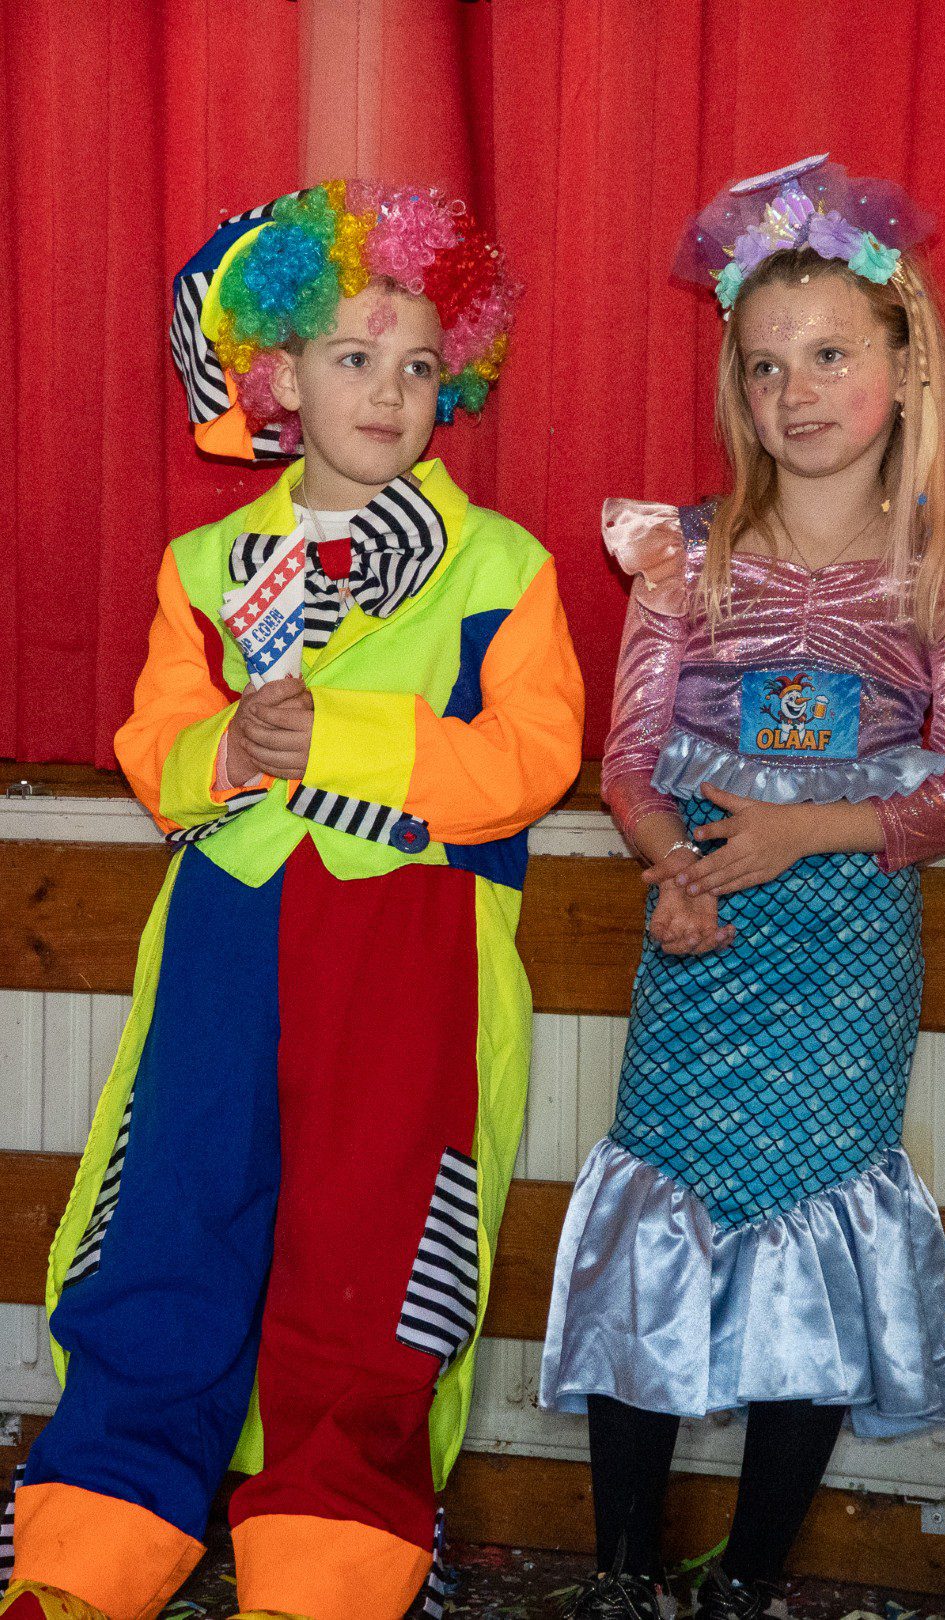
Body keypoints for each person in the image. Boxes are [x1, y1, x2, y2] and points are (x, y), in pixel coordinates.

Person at [1, 181, 584, 1620]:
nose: (389, 391)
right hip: (228, 935)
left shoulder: (504, 568)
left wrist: (347, 739)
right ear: (276, 378)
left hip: (412, 950)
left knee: (377, 1258)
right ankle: (91, 1547)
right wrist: (224, 751)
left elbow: (532, 759)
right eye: (352, 356)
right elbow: (155, 745)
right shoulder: (202, 568)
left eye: (420, 365)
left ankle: (328, 1571)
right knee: (164, 1222)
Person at [539, 155, 945, 1620]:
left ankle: (751, 1580)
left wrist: (807, 832)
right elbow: (630, 760)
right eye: (766, 367)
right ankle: (625, 1573)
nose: (796, 391)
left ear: (906, 364)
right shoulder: (682, 560)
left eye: (830, 355)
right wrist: (675, 868)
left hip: (846, 950)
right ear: (737, 390)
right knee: (659, 1226)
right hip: (704, 932)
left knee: (817, 1236)